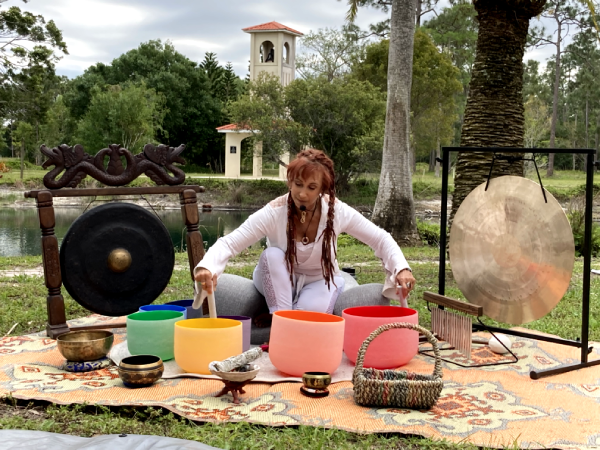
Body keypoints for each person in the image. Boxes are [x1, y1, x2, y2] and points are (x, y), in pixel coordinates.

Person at [194, 149, 416, 326]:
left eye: (311, 187)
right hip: (276, 276)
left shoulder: (337, 211)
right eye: (298, 185)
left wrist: (401, 268)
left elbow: (380, 238)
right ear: (290, 181)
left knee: (308, 321)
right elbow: (230, 242)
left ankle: (286, 319)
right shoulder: (274, 211)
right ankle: (279, 315)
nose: (302, 193)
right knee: (271, 255)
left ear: (322, 188)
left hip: (320, 280)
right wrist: (207, 267)